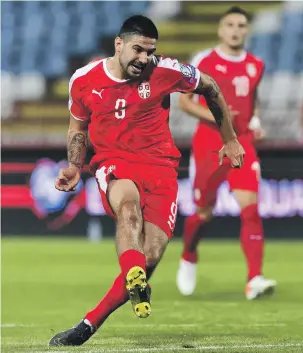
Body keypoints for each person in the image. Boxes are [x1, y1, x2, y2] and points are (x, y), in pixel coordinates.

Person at [50, 15, 244, 346]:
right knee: (128, 209)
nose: (144, 58)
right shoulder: (84, 80)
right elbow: (78, 127)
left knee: (150, 254)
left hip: (162, 168)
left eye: (149, 51)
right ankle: (125, 287)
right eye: (138, 49)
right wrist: (74, 165)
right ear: (119, 44)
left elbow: (209, 87)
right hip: (115, 162)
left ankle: (90, 322)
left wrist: (229, 139)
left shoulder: (165, 69)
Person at [176, 6, 276, 300]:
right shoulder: (204, 60)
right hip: (209, 144)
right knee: (203, 213)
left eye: (241, 25)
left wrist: (255, 121)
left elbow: (252, 99)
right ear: (220, 30)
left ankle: (254, 278)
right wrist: (216, 116)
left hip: (242, 143)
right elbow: (185, 102)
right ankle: (189, 253)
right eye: (229, 24)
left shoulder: (256, 64)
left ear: (247, 30)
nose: (235, 30)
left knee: (251, 209)